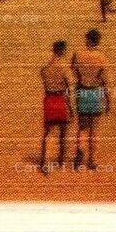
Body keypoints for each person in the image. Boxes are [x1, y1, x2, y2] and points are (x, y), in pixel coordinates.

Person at [70, 29, 111, 170]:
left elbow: (73, 70)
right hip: (95, 92)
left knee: (82, 128)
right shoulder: (101, 57)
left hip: (82, 92)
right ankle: (92, 160)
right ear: (98, 41)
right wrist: (108, 100)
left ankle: (78, 154)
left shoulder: (78, 55)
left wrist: (80, 79)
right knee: (94, 130)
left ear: (87, 39)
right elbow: (104, 81)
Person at [40, 40, 72, 173]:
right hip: (61, 100)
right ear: (63, 51)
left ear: (53, 50)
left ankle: (44, 161)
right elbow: (69, 88)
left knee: (47, 132)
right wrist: (70, 108)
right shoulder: (65, 68)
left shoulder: (45, 69)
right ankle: (60, 159)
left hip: (49, 99)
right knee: (63, 132)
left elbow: (44, 82)